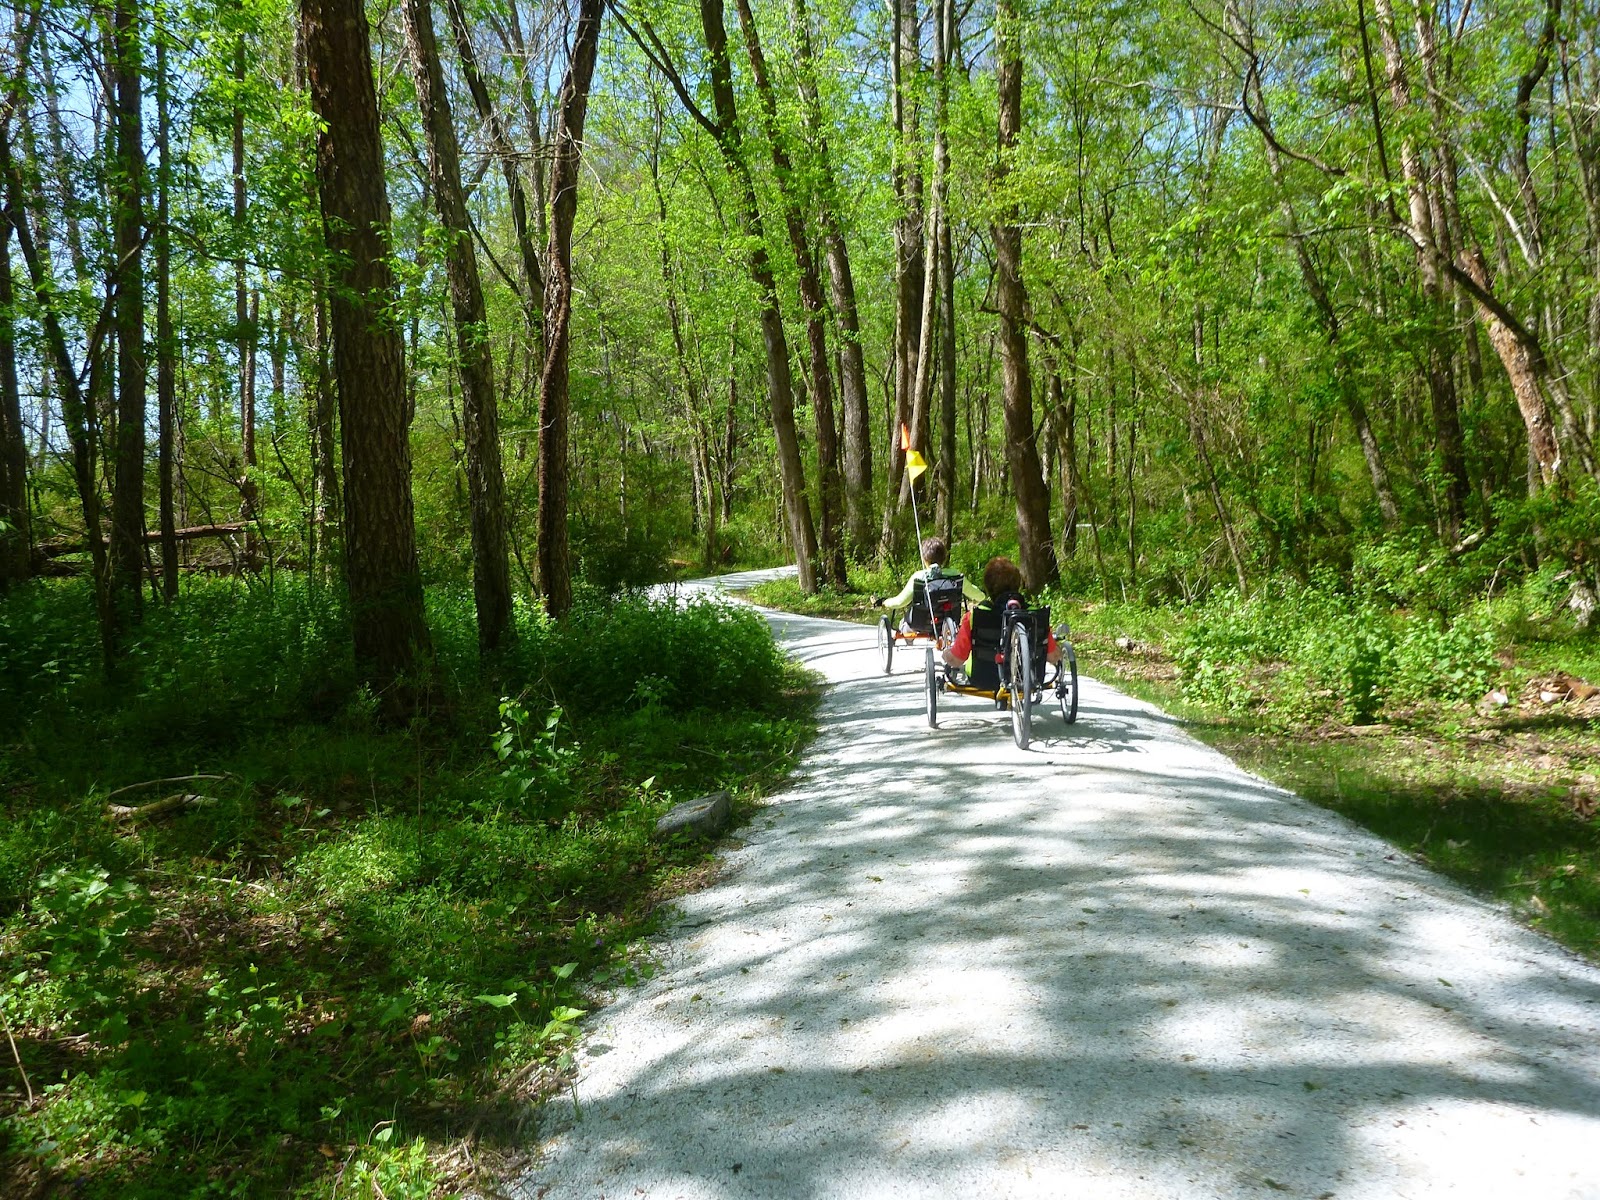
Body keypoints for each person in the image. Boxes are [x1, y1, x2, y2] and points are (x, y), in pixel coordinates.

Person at [943, 555, 1059, 675]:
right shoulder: (1035, 615)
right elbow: (1053, 656)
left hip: (983, 678)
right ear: (1018, 584)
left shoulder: (974, 616)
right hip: (1029, 678)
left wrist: (946, 654)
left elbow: (956, 660)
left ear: (988, 587)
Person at [872, 537, 986, 621]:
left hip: (920, 622)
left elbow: (900, 602)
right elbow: (978, 595)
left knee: (904, 623)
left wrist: (884, 602)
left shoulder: (918, 577)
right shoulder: (955, 575)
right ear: (944, 557)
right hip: (951, 619)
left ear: (924, 559)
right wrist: (984, 594)